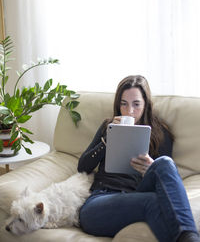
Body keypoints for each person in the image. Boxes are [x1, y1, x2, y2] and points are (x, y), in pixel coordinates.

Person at [78, 75, 200, 242]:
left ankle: (190, 237)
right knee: (153, 202)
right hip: (100, 200)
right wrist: (108, 138)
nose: (130, 111)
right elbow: (83, 167)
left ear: (145, 104)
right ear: (118, 104)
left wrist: (151, 167)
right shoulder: (108, 127)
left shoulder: (160, 133)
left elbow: (169, 181)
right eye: (124, 104)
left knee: (164, 163)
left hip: (138, 193)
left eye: (136, 104)